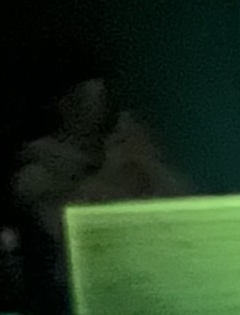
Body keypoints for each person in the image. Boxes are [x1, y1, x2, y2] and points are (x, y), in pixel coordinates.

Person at [12, 70, 184, 247]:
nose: (97, 106)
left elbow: (179, 203)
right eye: (82, 98)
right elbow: (65, 227)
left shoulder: (127, 144)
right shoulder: (37, 170)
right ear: (63, 104)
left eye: (102, 98)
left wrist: (144, 165)